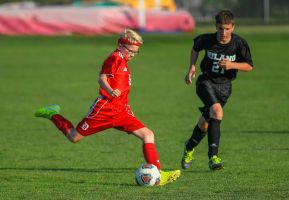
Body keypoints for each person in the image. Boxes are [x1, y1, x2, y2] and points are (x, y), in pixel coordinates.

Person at [35, 28, 180, 185]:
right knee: (74, 137)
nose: (132, 54)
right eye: (130, 51)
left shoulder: (123, 60)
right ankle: (52, 114)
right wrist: (111, 91)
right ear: (120, 45)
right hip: (105, 109)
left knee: (148, 135)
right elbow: (102, 78)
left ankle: (159, 175)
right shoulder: (115, 58)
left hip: (121, 111)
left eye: (136, 52)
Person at [181, 10, 254, 170]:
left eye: (227, 28)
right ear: (216, 27)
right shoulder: (207, 39)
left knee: (205, 124)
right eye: (220, 28)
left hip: (225, 87)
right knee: (217, 112)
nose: (223, 32)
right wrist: (192, 66)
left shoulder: (239, 43)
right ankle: (213, 157)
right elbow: (195, 48)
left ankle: (189, 148)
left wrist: (232, 65)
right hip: (205, 82)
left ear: (233, 27)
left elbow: (249, 66)